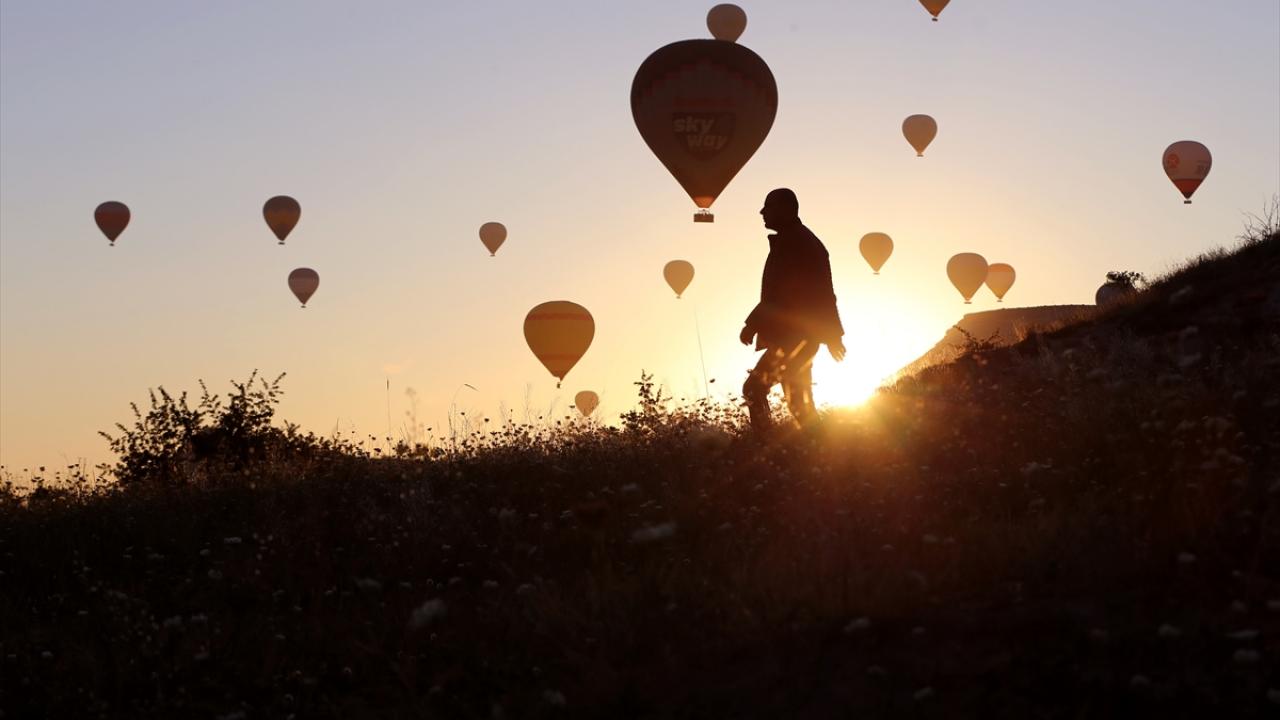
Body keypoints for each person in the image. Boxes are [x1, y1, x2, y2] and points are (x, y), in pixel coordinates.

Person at [740, 188, 845, 431]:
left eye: (769, 207)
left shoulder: (798, 244)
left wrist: (752, 324)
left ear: (786, 209)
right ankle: (818, 448)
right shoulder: (795, 242)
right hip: (798, 337)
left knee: (755, 389)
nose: (762, 212)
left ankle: (765, 443)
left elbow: (817, 293)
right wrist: (832, 336)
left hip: (794, 338)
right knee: (799, 402)